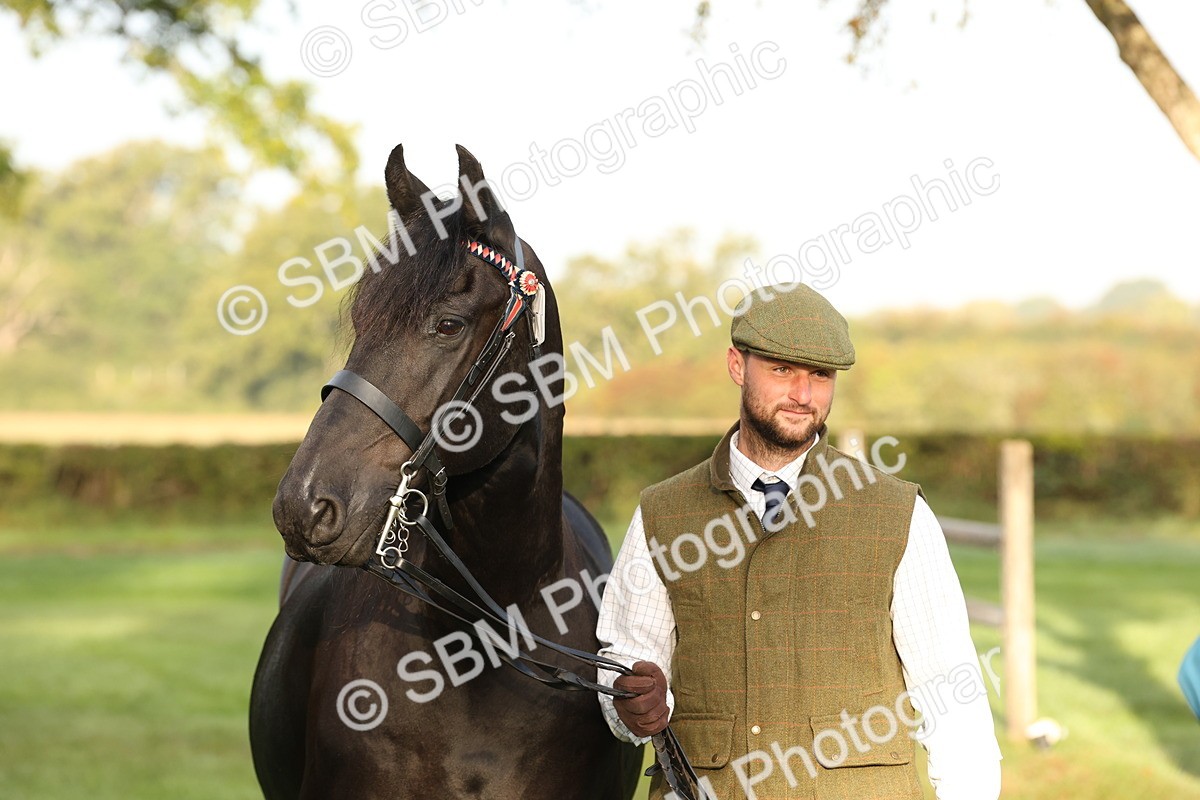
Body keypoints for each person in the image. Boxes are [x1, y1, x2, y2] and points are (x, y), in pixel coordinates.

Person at [596, 284, 1002, 799]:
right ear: (737, 366)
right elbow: (626, 660)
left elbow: (951, 688)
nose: (803, 395)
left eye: (821, 375)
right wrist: (629, 706)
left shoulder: (896, 513)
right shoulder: (661, 513)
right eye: (782, 370)